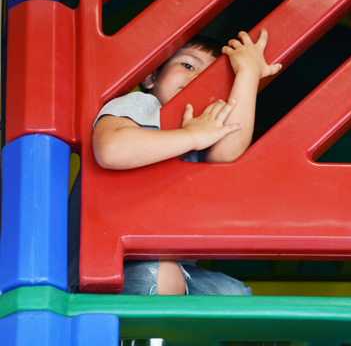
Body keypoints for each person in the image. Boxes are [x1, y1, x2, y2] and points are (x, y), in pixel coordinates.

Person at [68, 29, 281, 295]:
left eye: (210, 79)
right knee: (161, 275)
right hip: (105, 263)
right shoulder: (142, 104)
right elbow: (111, 149)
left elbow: (228, 153)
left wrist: (248, 75)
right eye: (188, 65)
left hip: (175, 265)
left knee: (235, 295)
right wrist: (191, 136)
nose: (196, 79)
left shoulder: (203, 133)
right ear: (151, 77)